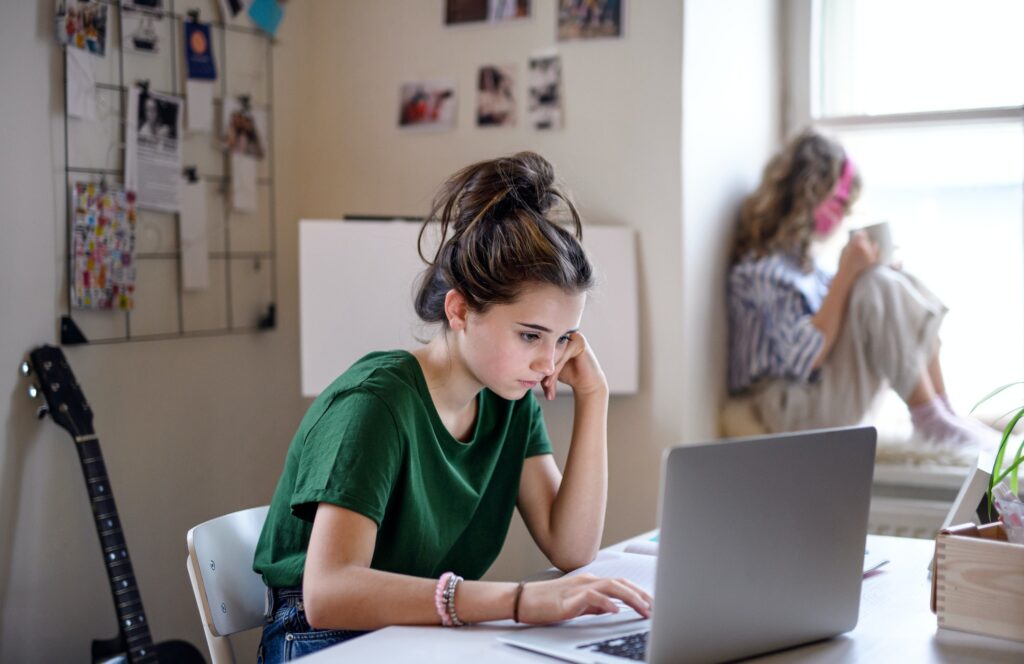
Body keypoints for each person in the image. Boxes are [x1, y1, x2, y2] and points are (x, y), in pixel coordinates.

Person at [252, 152, 652, 662]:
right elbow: (329, 595)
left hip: (422, 631)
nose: (548, 362)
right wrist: (519, 600)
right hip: (319, 638)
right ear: (460, 309)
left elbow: (570, 547)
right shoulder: (374, 403)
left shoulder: (508, 399)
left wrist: (593, 397)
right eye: (531, 335)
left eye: (564, 339)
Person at [727, 128, 997, 449]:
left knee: (889, 280)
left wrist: (874, 281)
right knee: (874, 285)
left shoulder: (806, 267)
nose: (842, 214)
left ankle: (942, 410)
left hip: (814, 395)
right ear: (808, 195)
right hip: (786, 407)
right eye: (839, 202)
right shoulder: (761, 272)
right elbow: (805, 359)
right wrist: (848, 275)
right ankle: (930, 419)